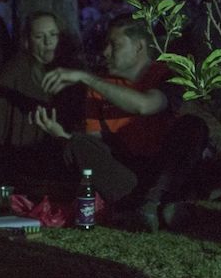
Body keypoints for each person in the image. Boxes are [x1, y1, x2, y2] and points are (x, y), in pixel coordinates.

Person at [31, 15, 209, 231]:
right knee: (77, 143)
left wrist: (86, 78)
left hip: (164, 170)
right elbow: (96, 144)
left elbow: (146, 105)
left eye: (114, 45)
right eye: (105, 45)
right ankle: (158, 206)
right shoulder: (100, 86)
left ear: (139, 46)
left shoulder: (166, 75)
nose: (106, 52)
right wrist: (62, 136)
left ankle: (153, 204)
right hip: (129, 177)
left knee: (193, 126)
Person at [0, 11, 84, 185]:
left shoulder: (69, 68)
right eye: (39, 36)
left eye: (53, 34)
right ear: (28, 41)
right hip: (24, 159)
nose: (48, 41)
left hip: (61, 151)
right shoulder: (17, 69)